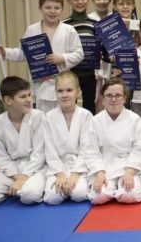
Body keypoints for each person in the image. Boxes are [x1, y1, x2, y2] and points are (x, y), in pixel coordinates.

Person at [0, 0, 84, 113]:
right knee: (42, 118)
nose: (52, 11)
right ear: (40, 8)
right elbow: (23, 53)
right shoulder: (32, 30)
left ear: (62, 10)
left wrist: (62, 58)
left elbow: (79, 54)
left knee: (64, 117)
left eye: (57, 8)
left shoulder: (69, 30)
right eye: (48, 7)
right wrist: (5, 52)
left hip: (63, 84)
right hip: (40, 84)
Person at [0, 77, 46, 206]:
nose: (29, 100)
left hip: (35, 168)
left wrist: (24, 177)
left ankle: (23, 189)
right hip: (11, 170)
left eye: (29, 95)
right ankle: (16, 189)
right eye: (23, 97)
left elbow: (40, 152)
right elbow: (0, 156)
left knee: (29, 195)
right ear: (8, 100)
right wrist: (16, 177)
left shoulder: (38, 117)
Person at [84, 77, 141, 205]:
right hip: (105, 166)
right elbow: (91, 151)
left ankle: (119, 189)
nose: (113, 99)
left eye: (118, 95)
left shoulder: (135, 119)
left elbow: (140, 149)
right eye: (109, 96)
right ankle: (112, 189)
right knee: (98, 197)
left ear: (124, 98)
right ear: (103, 99)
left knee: (130, 196)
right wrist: (99, 173)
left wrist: (130, 172)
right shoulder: (95, 121)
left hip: (128, 165)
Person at [42, 71, 93, 204]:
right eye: (60, 91)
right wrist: (60, 174)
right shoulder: (48, 117)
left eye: (69, 90)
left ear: (78, 92)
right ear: (55, 93)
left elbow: (87, 148)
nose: (64, 95)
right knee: (53, 198)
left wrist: (75, 174)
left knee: (79, 194)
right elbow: (49, 149)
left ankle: (77, 182)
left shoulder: (86, 116)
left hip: (80, 166)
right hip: (58, 166)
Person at [63, 0, 99, 114]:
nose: (80, 2)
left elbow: (101, 48)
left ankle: (89, 127)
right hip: (70, 73)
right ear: (69, 0)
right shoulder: (64, 24)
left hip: (89, 73)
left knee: (89, 105)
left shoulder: (95, 24)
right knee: (69, 105)